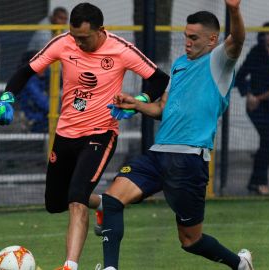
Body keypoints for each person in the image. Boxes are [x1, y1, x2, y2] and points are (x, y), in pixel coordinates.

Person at [0, 3, 169, 269]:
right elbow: (26, 70)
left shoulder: (120, 49)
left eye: (84, 38)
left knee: (76, 199)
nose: (79, 43)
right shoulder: (63, 43)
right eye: (75, 37)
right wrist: (5, 100)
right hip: (65, 134)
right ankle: (105, 205)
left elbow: (159, 79)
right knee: (55, 203)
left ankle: (70, 265)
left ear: (100, 30)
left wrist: (138, 100)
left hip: (100, 133)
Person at [95, 1, 251, 269]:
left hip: (189, 160)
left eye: (193, 38)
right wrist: (136, 104)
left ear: (212, 39)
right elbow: (162, 109)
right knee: (111, 200)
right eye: (185, 36)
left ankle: (239, 264)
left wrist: (234, 10)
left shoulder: (219, 62)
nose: (187, 43)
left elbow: (237, 39)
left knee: (191, 241)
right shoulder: (179, 65)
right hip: (158, 155)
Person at [235, 21, 269, 195]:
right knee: (266, 142)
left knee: (267, 145)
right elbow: (240, 76)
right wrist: (249, 94)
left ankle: (254, 183)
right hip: (256, 106)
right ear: (262, 36)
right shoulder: (257, 53)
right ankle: (261, 182)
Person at [18, 51, 50, 133]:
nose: (45, 66)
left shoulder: (42, 79)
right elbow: (45, 104)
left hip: (41, 118)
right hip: (31, 120)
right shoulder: (29, 81)